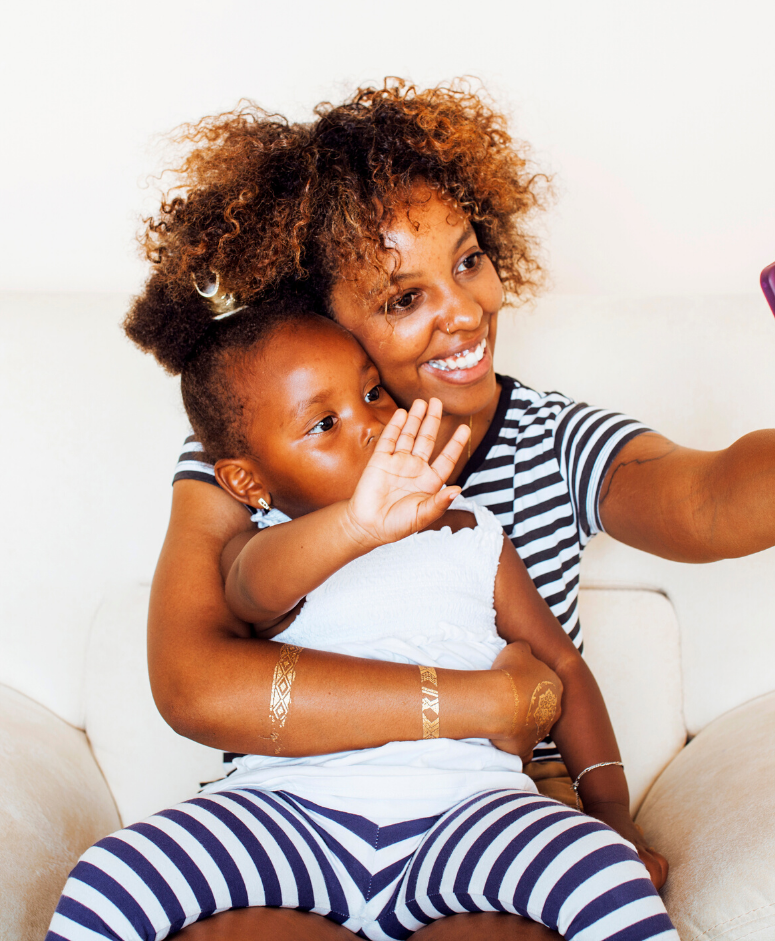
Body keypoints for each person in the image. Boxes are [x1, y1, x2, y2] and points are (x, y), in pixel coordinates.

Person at [75, 81, 775, 940]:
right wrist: (480, 704)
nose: (465, 310)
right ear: (317, 321)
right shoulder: (260, 461)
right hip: (287, 831)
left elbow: (702, 497)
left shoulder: (547, 439)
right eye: (402, 297)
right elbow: (197, 683)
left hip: (480, 840)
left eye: (468, 259)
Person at [47, 301, 675, 941]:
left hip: (468, 810)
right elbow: (249, 594)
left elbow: (562, 663)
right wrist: (357, 527)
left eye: (373, 391)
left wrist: (608, 812)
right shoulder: (266, 546)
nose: (372, 423)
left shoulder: (470, 531)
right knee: (113, 874)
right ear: (247, 482)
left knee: (602, 875)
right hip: (286, 815)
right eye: (324, 423)